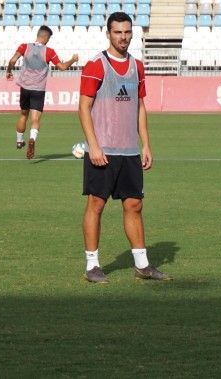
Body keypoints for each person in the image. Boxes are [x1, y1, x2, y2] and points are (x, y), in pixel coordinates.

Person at [78, 12, 170, 283]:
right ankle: (92, 266)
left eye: (127, 32)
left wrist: (146, 144)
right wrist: (93, 146)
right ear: (108, 33)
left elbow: (140, 107)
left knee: (134, 205)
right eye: (118, 32)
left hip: (129, 151)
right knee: (96, 204)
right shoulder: (96, 65)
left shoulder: (137, 66)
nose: (123, 37)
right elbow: (83, 107)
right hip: (102, 149)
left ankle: (142, 265)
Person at [6, 25, 79, 159]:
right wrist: (73, 60)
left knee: (23, 114)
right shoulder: (49, 51)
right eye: (49, 38)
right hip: (38, 89)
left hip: (25, 87)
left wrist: (9, 71)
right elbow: (62, 67)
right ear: (45, 37)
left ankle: (19, 140)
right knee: (35, 119)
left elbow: (12, 60)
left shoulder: (24, 46)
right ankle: (32, 139)